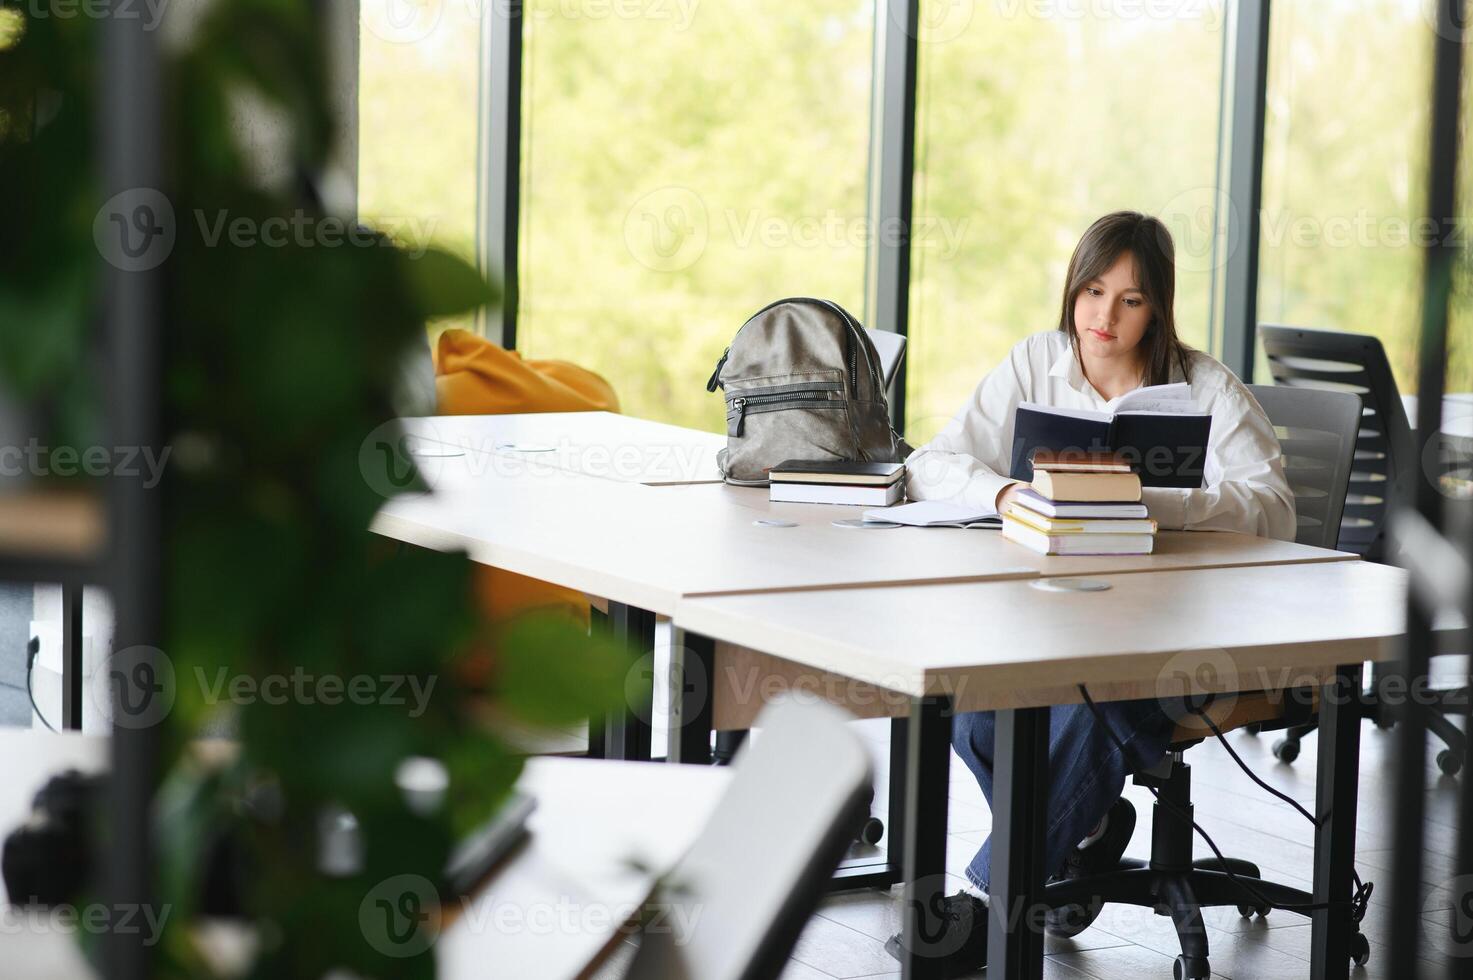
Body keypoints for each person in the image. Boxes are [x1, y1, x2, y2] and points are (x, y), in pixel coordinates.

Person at [885, 210, 1295, 974]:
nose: (1104, 316)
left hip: (1177, 632)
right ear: (1072, 290)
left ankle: (991, 906)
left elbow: (1271, 504)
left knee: (1094, 704)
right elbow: (931, 462)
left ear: (1158, 307)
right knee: (977, 707)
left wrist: (1150, 499)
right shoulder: (1033, 362)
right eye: (1092, 291)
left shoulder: (1202, 385)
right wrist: (1006, 491)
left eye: (1130, 300)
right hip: (1053, 614)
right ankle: (1085, 829)